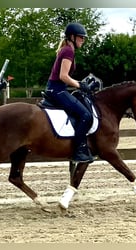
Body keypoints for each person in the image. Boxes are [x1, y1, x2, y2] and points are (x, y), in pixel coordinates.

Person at [45, 22, 94, 163]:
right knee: (86, 115)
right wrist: (80, 85)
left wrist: (79, 84)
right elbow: (63, 76)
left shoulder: (66, 49)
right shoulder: (68, 51)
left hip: (56, 88)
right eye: (80, 37)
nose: (83, 40)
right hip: (57, 90)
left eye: (84, 38)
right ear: (72, 37)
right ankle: (78, 150)